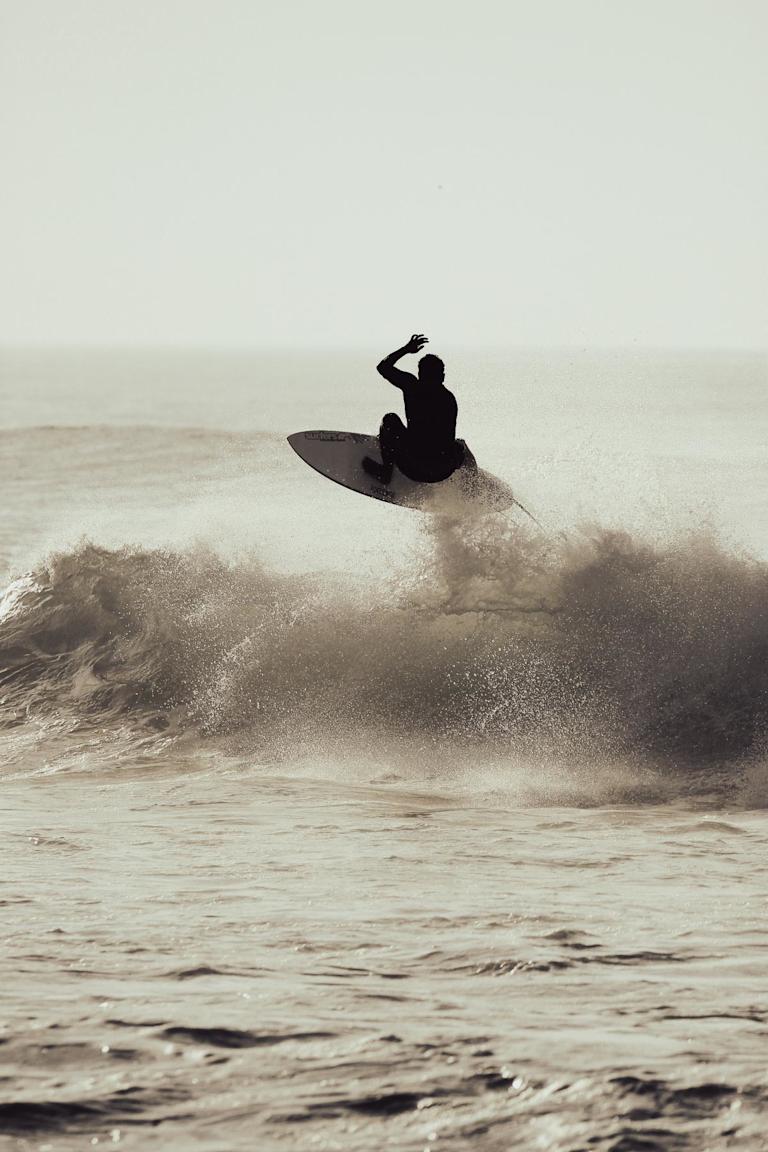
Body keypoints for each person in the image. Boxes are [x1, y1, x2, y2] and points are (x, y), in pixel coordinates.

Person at [362, 334, 469, 485]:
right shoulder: (449, 399)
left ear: (419, 374)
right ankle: (470, 483)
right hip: (443, 472)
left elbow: (383, 367)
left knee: (390, 419)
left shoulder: (412, 386)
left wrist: (406, 349)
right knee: (460, 444)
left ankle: (386, 473)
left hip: (412, 467)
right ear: (442, 376)